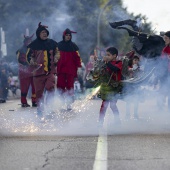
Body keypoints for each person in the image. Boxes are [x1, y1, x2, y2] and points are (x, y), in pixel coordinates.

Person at [26, 22, 59, 119]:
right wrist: (32, 62)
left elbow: (57, 52)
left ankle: (50, 108)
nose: (44, 34)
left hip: (50, 72)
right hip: (37, 73)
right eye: (42, 32)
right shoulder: (33, 45)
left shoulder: (53, 43)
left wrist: (56, 58)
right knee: (39, 94)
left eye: (45, 32)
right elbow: (29, 56)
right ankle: (40, 111)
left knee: (50, 88)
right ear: (38, 34)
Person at [57, 28, 82, 110]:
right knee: (60, 87)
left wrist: (78, 68)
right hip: (60, 70)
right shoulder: (58, 45)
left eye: (69, 35)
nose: (68, 37)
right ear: (64, 36)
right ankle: (60, 103)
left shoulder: (74, 46)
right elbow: (55, 57)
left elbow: (78, 58)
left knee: (70, 87)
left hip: (70, 70)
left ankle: (68, 104)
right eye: (66, 35)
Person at [98, 47, 122, 126]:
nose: (107, 56)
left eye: (109, 55)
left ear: (114, 55)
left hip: (114, 87)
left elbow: (115, 69)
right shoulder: (105, 63)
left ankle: (117, 121)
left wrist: (107, 63)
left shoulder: (118, 62)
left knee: (112, 105)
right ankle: (100, 122)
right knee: (104, 105)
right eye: (106, 55)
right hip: (106, 87)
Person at [16, 34, 37, 107]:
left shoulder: (34, 49)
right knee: (24, 88)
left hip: (33, 71)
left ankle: (35, 101)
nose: (29, 42)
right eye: (28, 41)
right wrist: (30, 63)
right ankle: (24, 102)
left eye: (30, 41)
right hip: (24, 72)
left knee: (35, 87)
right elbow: (20, 60)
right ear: (25, 42)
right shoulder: (20, 50)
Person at [157, 31, 170, 111]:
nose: (164, 40)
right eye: (164, 38)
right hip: (167, 74)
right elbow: (162, 61)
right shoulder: (165, 49)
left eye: (166, 38)